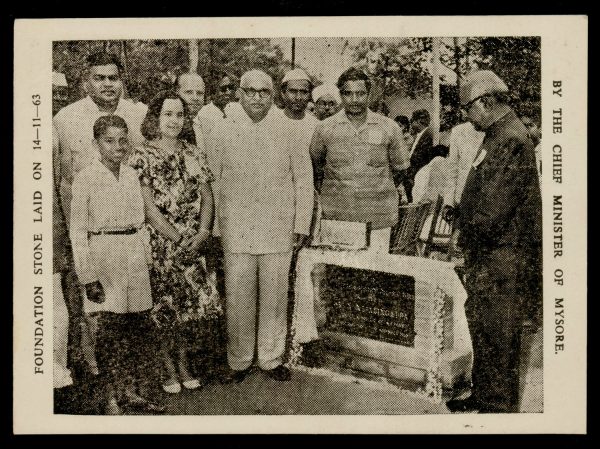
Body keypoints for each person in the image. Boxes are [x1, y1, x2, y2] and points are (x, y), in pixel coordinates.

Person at [70, 115, 186, 414]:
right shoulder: (86, 178)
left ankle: (133, 393)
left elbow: (141, 220)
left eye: (123, 140)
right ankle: (112, 396)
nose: (118, 146)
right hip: (103, 254)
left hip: (134, 253)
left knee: (138, 329)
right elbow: (78, 232)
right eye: (109, 141)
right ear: (96, 144)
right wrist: (88, 277)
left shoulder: (133, 175)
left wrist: (146, 259)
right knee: (109, 330)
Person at [446, 70, 542, 413]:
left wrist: (464, 239)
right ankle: (485, 394)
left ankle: (498, 408)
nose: (465, 115)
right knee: (484, 328)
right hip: (489, 254)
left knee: (499, 333)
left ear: (486, 102)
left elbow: (493, 210)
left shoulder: (510, 139)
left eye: (467, 107)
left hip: (501, 256)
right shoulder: (497, 133)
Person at [210, 69, 314, 383]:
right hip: (236, 228)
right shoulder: (222, 129)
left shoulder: (288, 129)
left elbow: (303, 180)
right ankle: (238, 360)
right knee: (238, 297)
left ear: (273, 95)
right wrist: (215, 228)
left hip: (278, 228)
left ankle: (271, 359)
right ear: (239, 94)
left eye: (263, 92)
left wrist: (301, 224)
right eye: (250, 91)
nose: (257, 98)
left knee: (275, 297)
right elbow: (213, 181)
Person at [54, 51, 148, 375]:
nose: (108, 84)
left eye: (113, 77)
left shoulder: (137, 114)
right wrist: (77, 248)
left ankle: (128, 384)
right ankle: (97, 377)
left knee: (132, 319)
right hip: (91, 236)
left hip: (131, 240)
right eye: (99, 78)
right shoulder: (66, 119)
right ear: (86, 82)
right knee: (95, 315)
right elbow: (62, 181)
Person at [129, 91, 222, 394]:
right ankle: (168, 367)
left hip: (194, 242)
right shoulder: (141, 155)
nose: (174, 120)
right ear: (155, 117)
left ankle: (184, 364)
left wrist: (203, 233)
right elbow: (148, 208)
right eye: (167, 114)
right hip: (161, 243)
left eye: (180, 114)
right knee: (165, 309)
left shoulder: (194, 153)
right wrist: (178, 238)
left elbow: (207, 198)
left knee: (187, 309)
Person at [310, 67, 410, 241]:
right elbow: (316, 168)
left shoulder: (389, 128)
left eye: (360, 93)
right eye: (348, 94)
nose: (355, 100)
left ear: (369, 94)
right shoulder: (324, 128)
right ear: (341, 95)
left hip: (379, 219)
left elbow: (400, 170)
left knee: (376, 260)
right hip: (337, 218)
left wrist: (375, 190)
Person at [401, 109, 449, 203]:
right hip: (414, 177)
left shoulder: (428, 135)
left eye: (412, 121)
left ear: (419, 121)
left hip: (418, 177)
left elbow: (423, 158)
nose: (410, 124)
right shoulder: (421, 135)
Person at [174, 72, 206, 149]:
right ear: (176, 93)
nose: (195, 98)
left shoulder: (209, 126)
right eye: (189, 92)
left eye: (199, 93)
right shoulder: (166, 126)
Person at [519, 109, 542, 180]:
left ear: (540, 129)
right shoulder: (522, 151)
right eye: (524, 127)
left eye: (530, 126)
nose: (527, 130)